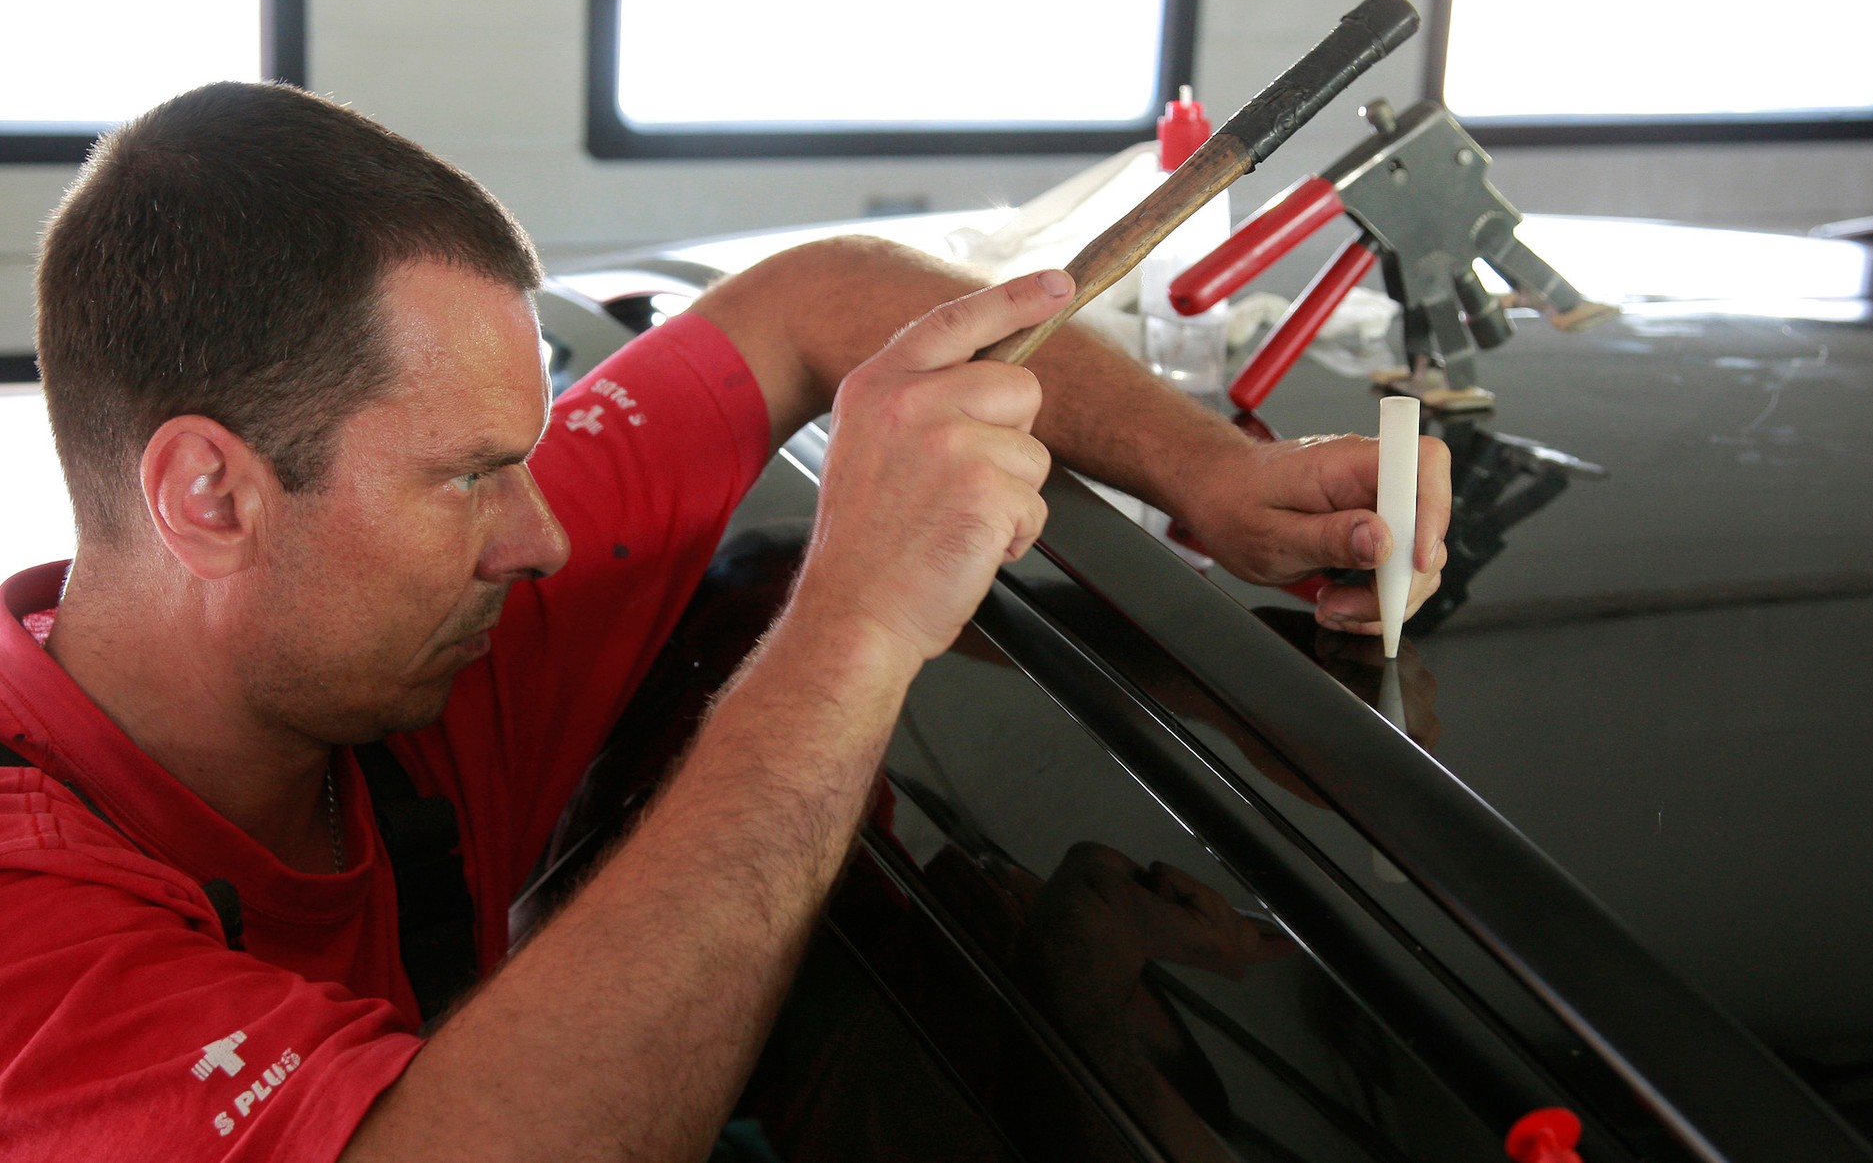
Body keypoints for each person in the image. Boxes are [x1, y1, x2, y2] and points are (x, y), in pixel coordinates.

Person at [0, 81, 1449, 1161]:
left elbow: (813, 302)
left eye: (527, 450)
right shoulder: (28, 944)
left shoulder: (393, 626)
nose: (545, 532)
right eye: (471, 475)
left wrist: (1211, 473)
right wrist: (856, 625)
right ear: (208, 494)